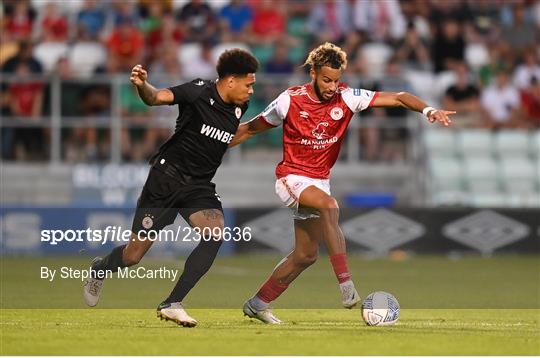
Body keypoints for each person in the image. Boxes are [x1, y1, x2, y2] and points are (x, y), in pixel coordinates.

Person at [230, 42, 454, 324]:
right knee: (329, 205)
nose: (332, 86)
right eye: (326, 80)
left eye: (336, 80)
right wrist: (214, 144)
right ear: (312, 73)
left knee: (305, 255)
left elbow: (398, 98)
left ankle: (258, 303)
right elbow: (251, 128)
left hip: (319, 181)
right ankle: (346, 285)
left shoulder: (347, 97)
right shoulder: (290, 100)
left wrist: (429, 110)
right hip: (292, 176)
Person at [83, 48, 259, 327]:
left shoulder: (240, 108)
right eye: (249, 84)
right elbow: (156, 97)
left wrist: (257, 128)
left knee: (215, 234)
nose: (252, 91)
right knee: (133, 256)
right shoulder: (197, 92)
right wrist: (142, 85)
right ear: (230, 81)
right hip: (166, 179)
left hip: (199, 186)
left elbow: (223, 138)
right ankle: (100, 268)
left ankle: (172, 302)